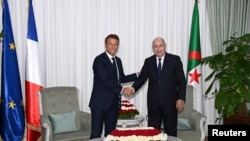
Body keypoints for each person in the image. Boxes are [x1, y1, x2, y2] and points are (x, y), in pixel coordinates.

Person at [125, 37, 186, 137]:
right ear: (153, 48)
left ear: (165, 46)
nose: (158, 49)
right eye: (156, 46)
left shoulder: (175, 60)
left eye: (161, 46)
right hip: (153, 104)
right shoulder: (148, 61)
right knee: (152, 133)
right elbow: (142, 78)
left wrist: (181, 98)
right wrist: (132, 88)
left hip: (170, 103)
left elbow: (181, 81)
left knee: (170, 133)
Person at [88, 34, 138, 139]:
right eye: (110, 44)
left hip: (113, 104)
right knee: (96, 135)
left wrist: (138, 74)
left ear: (118, 46)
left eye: (115, 44)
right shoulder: (99, 60)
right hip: (99, 104)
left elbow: (122, 78)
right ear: (105, 45)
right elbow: (105, 80)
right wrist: (123, 90)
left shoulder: (118, 61)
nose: (113, 46)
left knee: (111, 135)